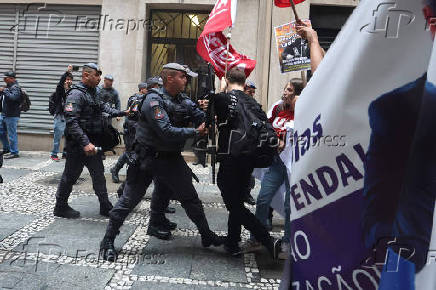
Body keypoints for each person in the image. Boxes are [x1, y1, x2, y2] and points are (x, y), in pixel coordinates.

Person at [99, 63, 225, 262]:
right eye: (183, 77)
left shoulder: (182, 99)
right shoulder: (153, 100)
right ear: (169, 79)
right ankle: (107, 240)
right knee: (128, 201)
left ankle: (206, 235)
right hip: (146, 159)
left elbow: (200, 116)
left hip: (171, 159)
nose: (186, 80)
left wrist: (211, 113)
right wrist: (196, 131)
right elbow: (165, 130)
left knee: (191, 199)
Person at [209, 67, 282, 259]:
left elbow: (211, 117)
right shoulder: (254, 103)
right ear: (245, 80)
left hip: (231, 158)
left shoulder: (224, 98)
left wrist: (222, 89)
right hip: (249, 159)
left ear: (226, 79)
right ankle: (232, 243)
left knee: (234, 204)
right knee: (238, 201)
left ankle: (268, 241)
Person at [53, 63, 127, 219]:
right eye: (97, 75)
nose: (100, 78)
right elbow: (72, 121)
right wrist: (85, 143)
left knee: (98, 174)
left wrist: (123, 112)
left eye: (100, 75)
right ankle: (60, 206)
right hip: (78, 144)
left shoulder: (95, 92)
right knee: (70, 176)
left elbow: (104, 108)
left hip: (93, 142)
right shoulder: (75, 94)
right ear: (86, 75)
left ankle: (105, 206)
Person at [244, 79, 303, 259]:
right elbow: (267, 126)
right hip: (277, 163)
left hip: (295, 165)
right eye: (285, 89)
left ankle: (287, 241)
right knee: (263, 199)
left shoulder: (305, 110)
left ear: (298, 94)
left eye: (289, 90)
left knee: (289, 205)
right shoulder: (278, 108)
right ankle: (258, 237)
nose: (285, 92)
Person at [110, 82, 148, 184]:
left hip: (137, 130)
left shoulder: (144, 98)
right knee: (130, 152)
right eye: (146, 89)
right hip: (132, 130)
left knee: (135, 152)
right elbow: (132, 115)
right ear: (141, 90)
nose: (148, 90)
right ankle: (117, 170)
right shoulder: (136, 99)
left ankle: (131, 174)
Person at [50, 65, 74, 161]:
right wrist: (67, 73)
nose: (68, 81)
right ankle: (54, 154)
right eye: (67, 79)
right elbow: (60, 84)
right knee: (58, 137)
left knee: (69, 137)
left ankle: (65, 153)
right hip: (60, 116)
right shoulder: (59, 91)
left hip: (69, 116)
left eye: (70, 79)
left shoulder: (72, 91)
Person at [0, 71, 22, 159]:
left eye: (6, 78)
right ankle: (6, 148)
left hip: (12, 115)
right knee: (1, 132)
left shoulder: (15, 87)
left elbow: (13, 98)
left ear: (12, 78)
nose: (4, 79)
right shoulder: (8, 87)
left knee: (12, 134)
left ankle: (14, 152)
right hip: (4, 114)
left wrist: (4, 90)